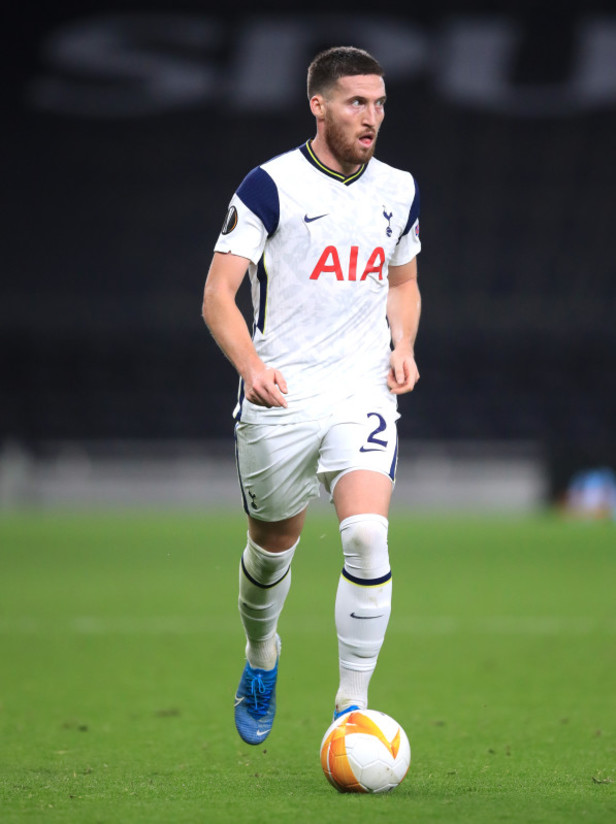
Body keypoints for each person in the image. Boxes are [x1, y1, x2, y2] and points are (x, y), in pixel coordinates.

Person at [202, 45, 422, 746]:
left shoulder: (399, 188)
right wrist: (251, 367)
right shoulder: (269, 186)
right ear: (318, 105)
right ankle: (261, 655)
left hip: (361, 390)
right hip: (281, 398)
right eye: (357, 102)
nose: (373, 117)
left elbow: (403, 281)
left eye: (380, 102)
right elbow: (217, 297)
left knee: (365, 533)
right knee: (273, 549)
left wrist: (404, 345)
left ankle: (349, 707)